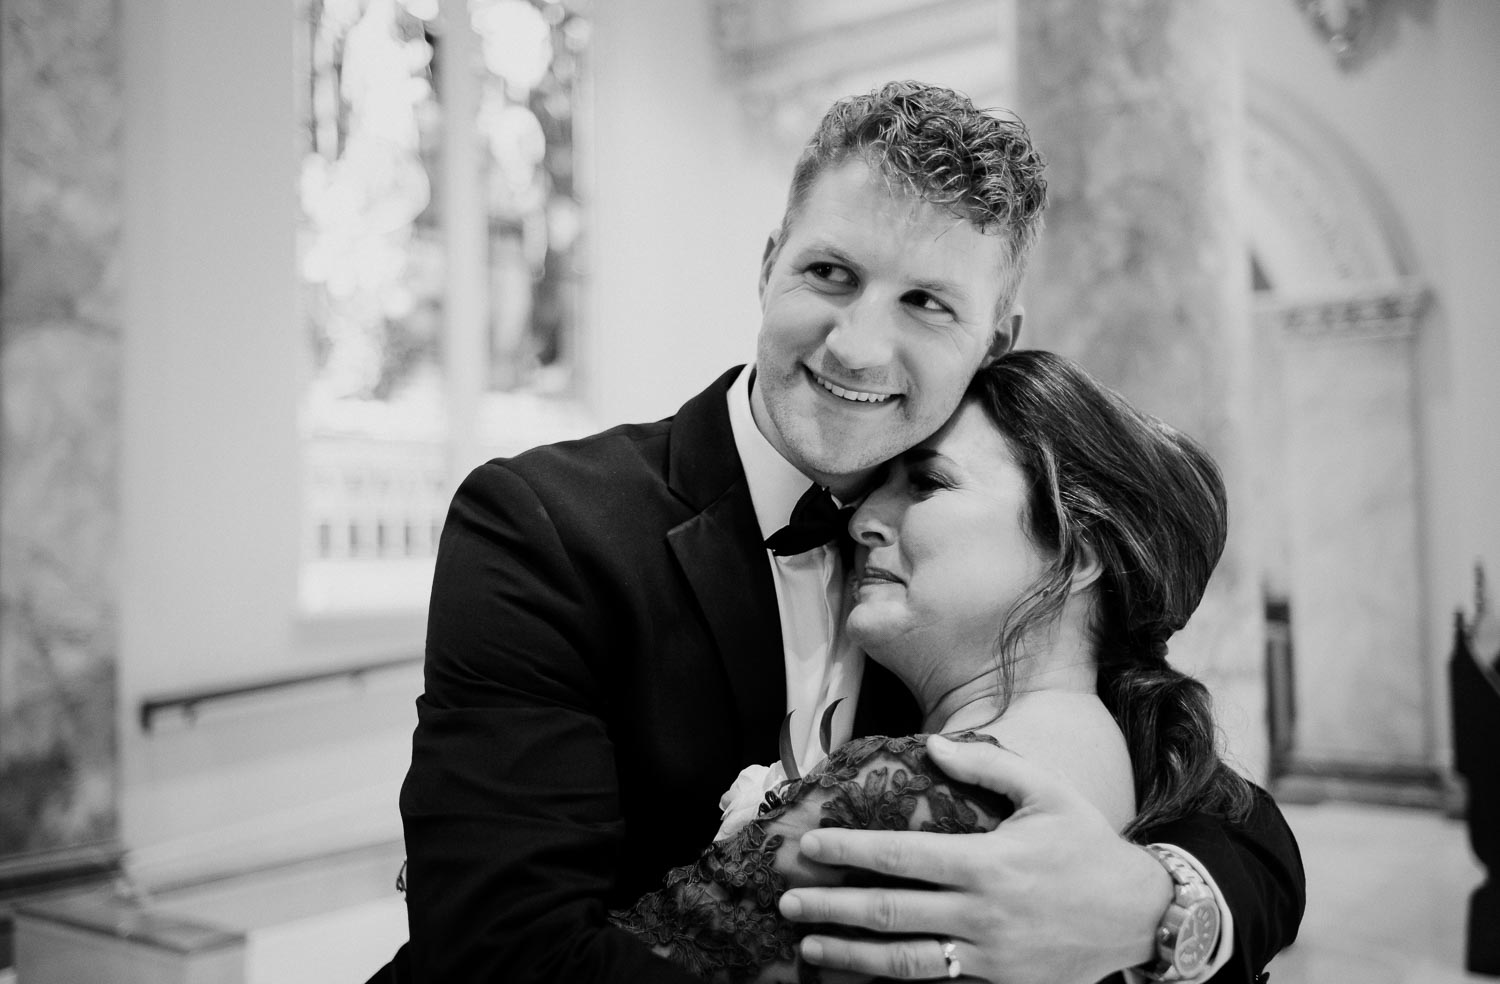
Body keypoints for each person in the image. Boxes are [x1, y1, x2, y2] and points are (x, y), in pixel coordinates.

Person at [373, 82, 1304, 983]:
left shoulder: (1001, 566)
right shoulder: (545, 526)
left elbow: (1244, 832)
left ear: (997, 341)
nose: (857, 345)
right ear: (769, 262)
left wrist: (1156, 910)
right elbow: (502, 952)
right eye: (831, 274)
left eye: (927, 303)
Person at [608, 349, 1261, 984]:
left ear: (1079, 546)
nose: (862, 519)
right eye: (875, 486)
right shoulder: (1113, 752)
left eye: (926, 482)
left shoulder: (911, 789)